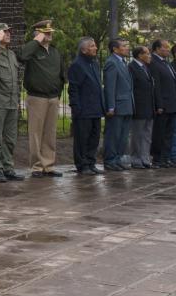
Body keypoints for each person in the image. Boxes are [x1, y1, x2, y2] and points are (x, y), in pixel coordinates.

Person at [17, 20, 65, 178]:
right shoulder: (32, 50)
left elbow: (62, 74)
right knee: (36, 134)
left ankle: (48, 165)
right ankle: (37, 166)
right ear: (38, 33)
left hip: (53, 97)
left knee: (50, 133)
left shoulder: (55, 51)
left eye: (50, 31)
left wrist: (57, 93)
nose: (50, 34)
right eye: (45, 32)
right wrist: (36, 40)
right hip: (37, 97)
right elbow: (22, 55)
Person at [0, 23, 23, 183]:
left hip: (12, 102)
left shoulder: (11, 54)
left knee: (10, 138)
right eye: (5, 32)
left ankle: (8, 167)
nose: (8, 34)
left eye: (9, 32)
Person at [68, 37, 105, 175]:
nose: (95, 48)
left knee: (94, 138)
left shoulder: (94, 64)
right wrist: (76, 107)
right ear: (84, 49)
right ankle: (82, 164)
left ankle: (91, 162)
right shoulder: (77, 65)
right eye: (92, 46)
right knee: (82, 139)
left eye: (95, 45)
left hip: (95, 108)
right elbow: (74, 88)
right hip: (83, 109)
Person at [103, 38, 134, 171]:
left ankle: (117, 159)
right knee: (114, 134)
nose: (127, 48)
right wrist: (110, 106)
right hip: (117, 105)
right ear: (115, 49)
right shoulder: (111, 62)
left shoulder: (122, 62)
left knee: (123, 135)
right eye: (124, 46)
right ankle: (110, 160)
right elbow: (110, 87)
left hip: (127, 105)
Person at [148, 39, 176, 167]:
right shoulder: (153, 63)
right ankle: (157, 158)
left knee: (169, 133)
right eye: (165, 47)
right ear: (157, 49)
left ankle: (166, 157)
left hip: (172, 104)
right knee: (159, 133)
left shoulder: (166, 63)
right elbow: (157, 86)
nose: (168, 49)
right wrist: (159, 104)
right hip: (163, 105)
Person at [129, 46, 157, 169]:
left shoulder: (146, 68)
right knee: (137, 134)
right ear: (140, 55)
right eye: (147, 53)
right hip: (139, 107)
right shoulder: (131, 68)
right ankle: (136, 159)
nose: (150, 56)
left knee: (147, 134)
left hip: (149, 107)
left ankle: (145, 158)